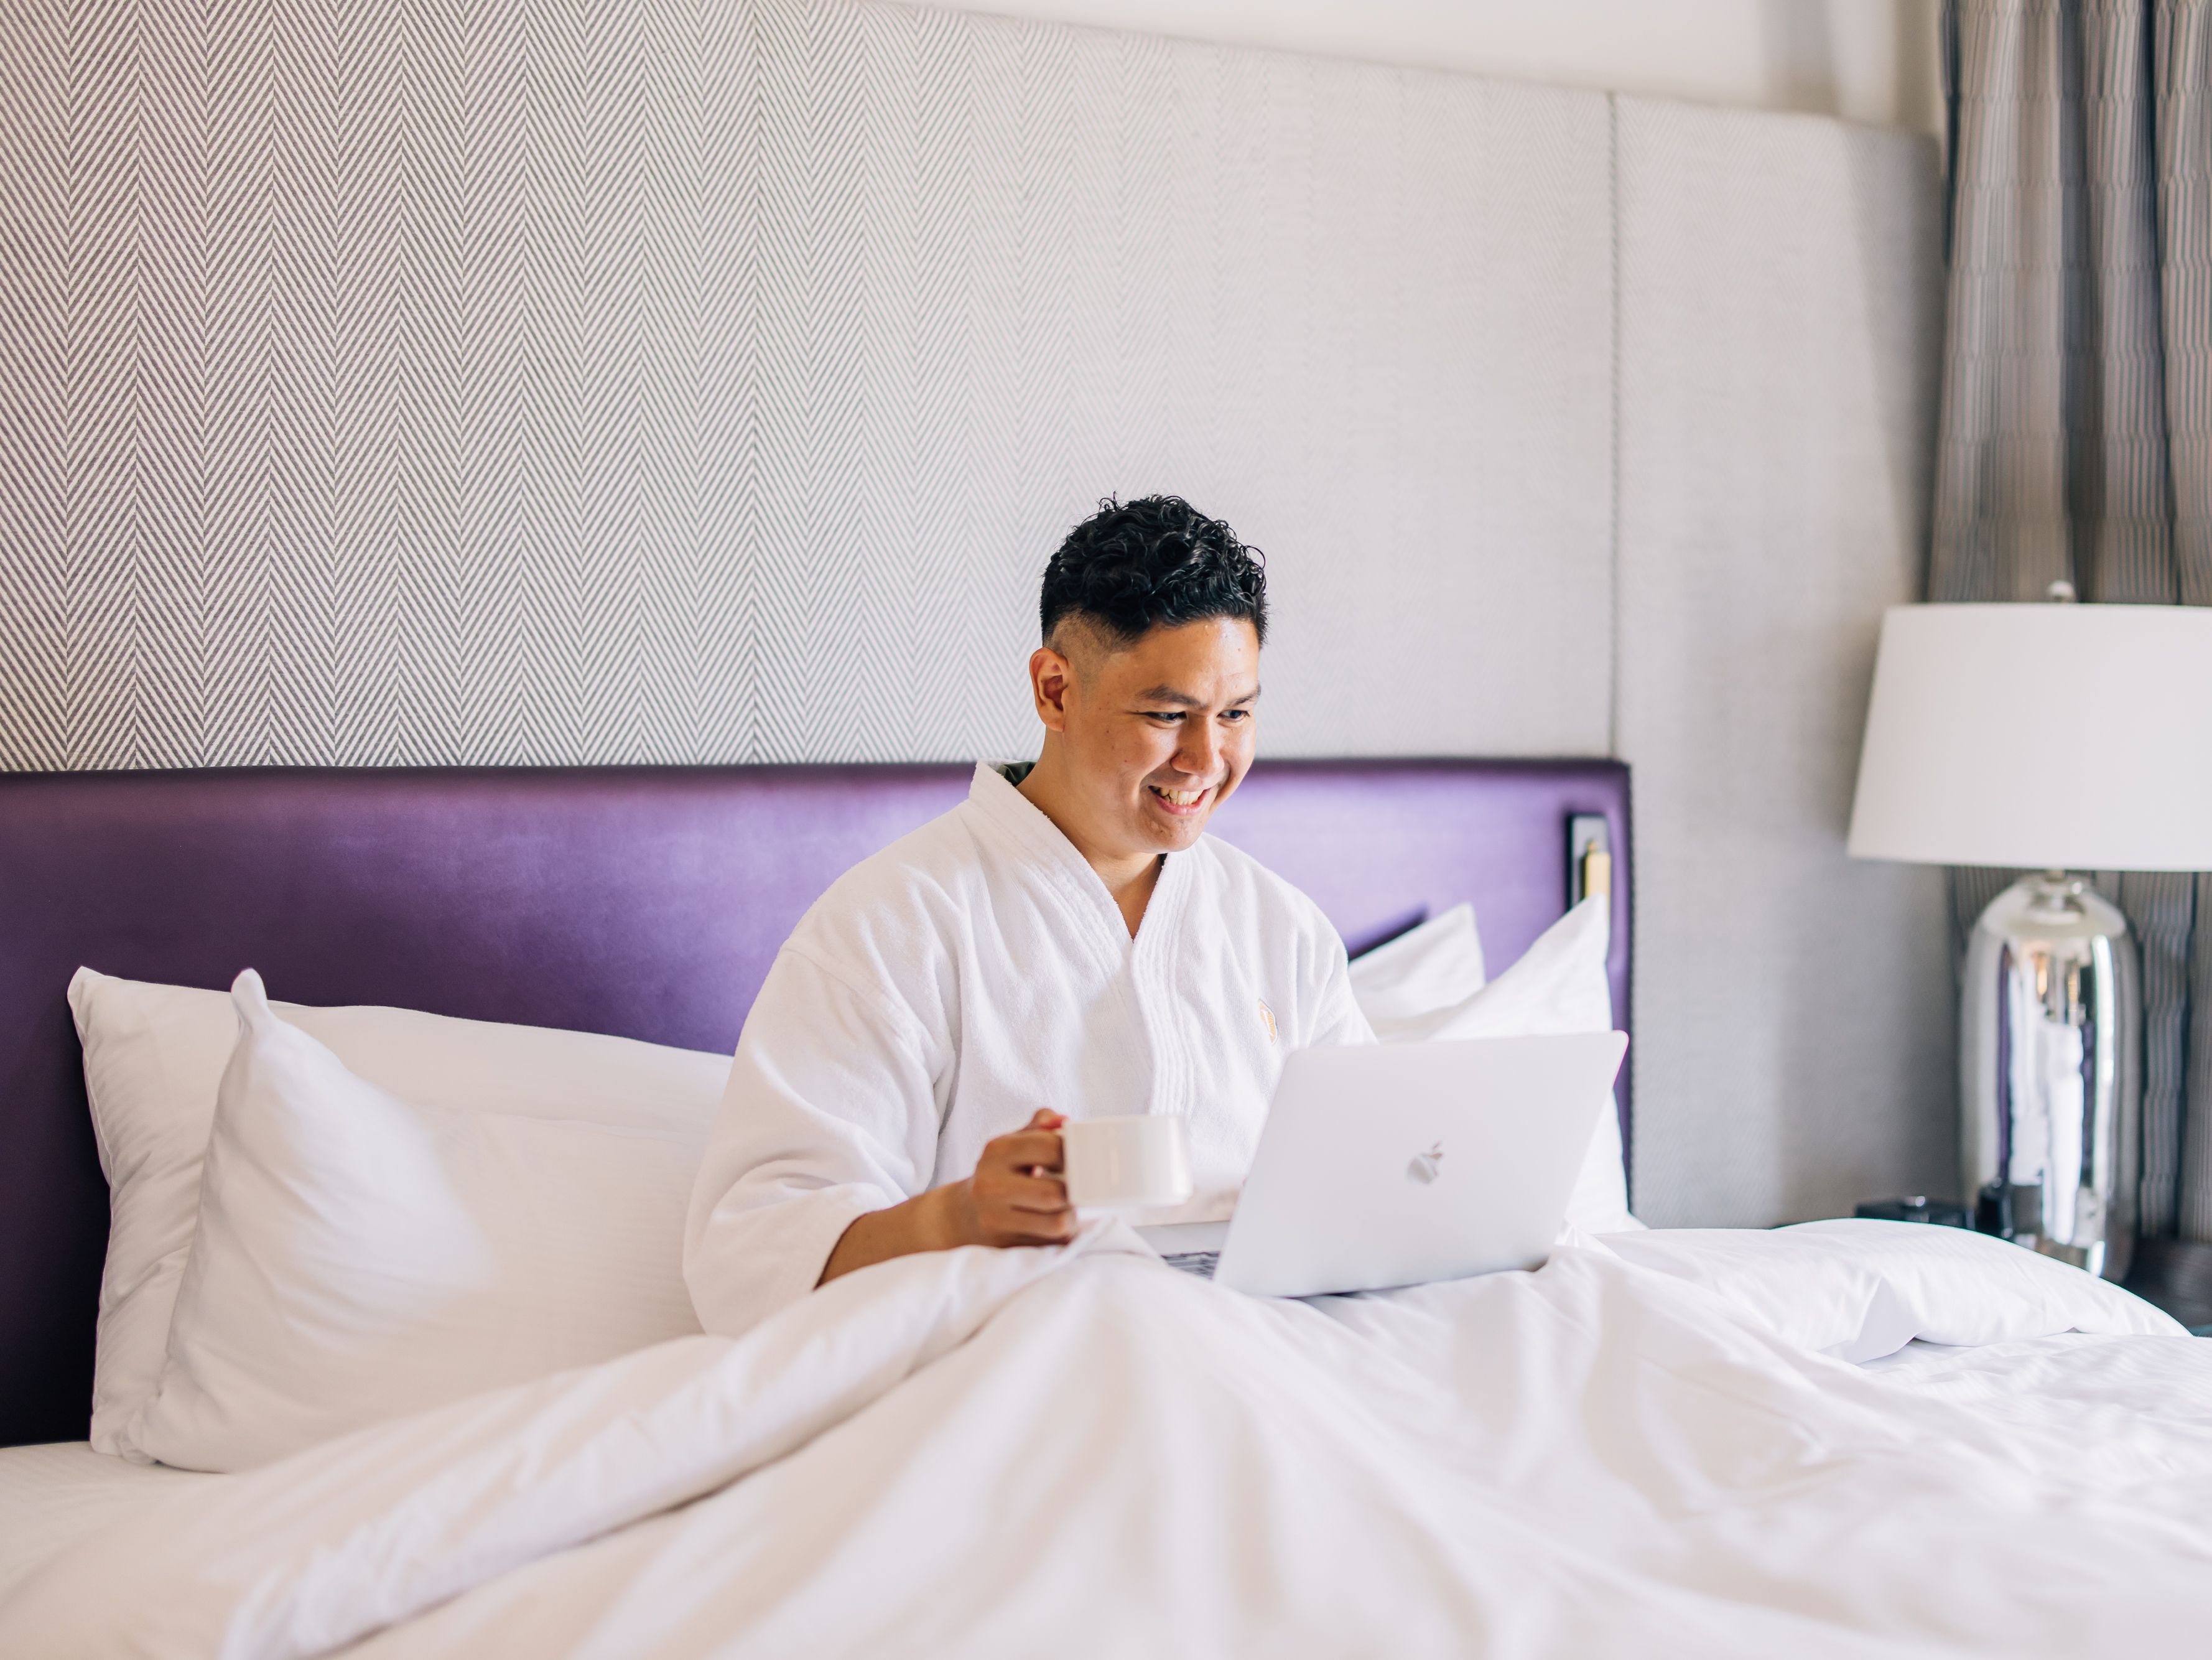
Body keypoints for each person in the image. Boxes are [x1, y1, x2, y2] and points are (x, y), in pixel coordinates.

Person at [684, 495, 1372, 1338]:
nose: (1206, 759)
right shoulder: (891, 925)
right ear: (1055, 689)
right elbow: (747, 1259)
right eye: (1167, 715)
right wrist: (958, 1219)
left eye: (1235, 714)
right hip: (1018, 1366)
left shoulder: (1284, 929)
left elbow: (1370, 1184)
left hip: (1267, 1357)